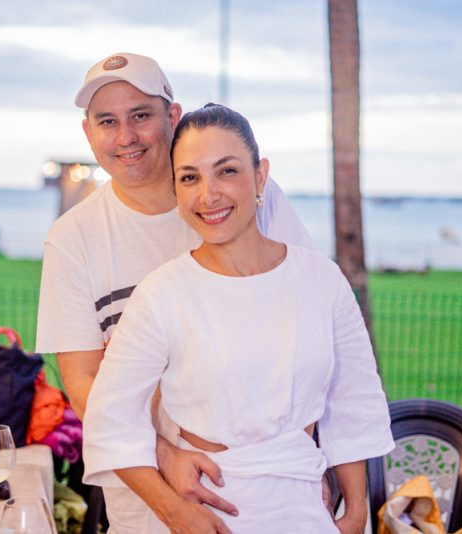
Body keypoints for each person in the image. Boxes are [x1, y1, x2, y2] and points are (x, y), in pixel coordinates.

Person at [36, 53, 315, 532]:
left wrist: (309, 464)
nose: (126, 137)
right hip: (143, 494)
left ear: (172, 116)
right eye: (108, 121)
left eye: (141, 115)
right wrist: (165, 466)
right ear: (89, 134)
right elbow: (84, 385)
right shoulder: (73, 238)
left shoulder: (246, 199)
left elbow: (308, 333)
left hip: (273, 481)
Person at [83, 104, 394, 533]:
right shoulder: (162, 294)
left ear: (260, 175)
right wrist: (175, 514)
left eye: (226, 171)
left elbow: (352, 398)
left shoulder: (320, 280)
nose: (208, 195)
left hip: (302, 506)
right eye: (190, 177)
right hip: (209, 508)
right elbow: (109, 420)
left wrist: (355, 509)